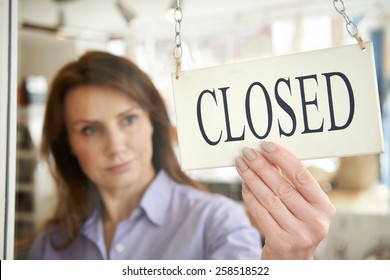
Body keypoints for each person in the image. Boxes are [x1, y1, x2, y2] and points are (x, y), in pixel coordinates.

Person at [28, 51, 335, 260]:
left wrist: (287, 266)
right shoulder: (52, 243)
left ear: (153, 122)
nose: (116, 145)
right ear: (67, 142)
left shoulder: (217, 223)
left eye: (128, 119)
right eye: (90, 130)